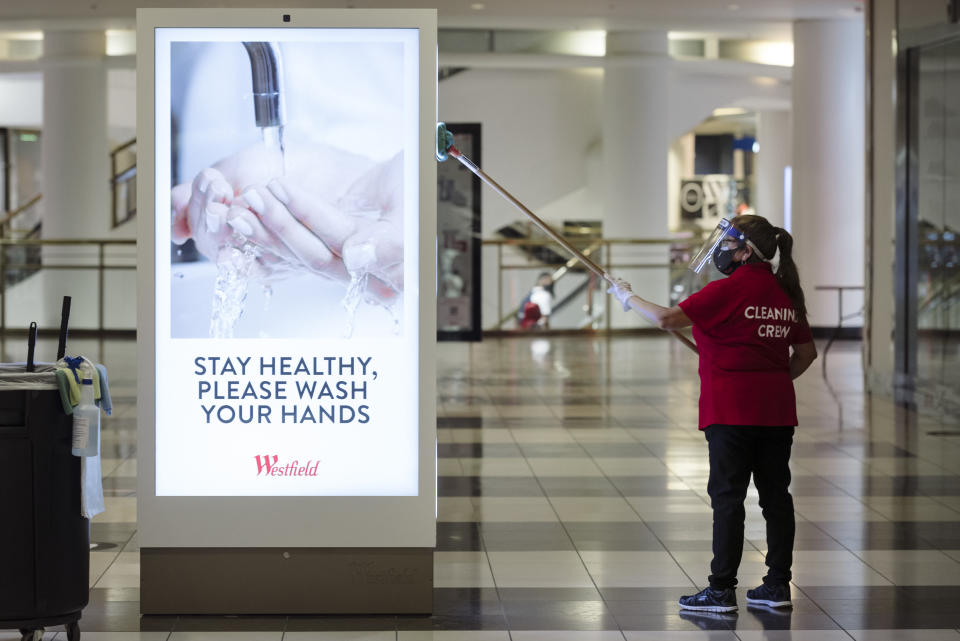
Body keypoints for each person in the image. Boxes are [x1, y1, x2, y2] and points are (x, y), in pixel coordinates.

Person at [606, 214, 818, 614]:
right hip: (776, 412)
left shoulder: (729, 290)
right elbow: (806, 353)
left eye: (728, 243)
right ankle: (776, 585)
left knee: (728, 499)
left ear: (745, 250)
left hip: (730, 412)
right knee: (776, 498)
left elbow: (667, 319)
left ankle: (721, 590)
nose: (722, 249)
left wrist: (627, 297)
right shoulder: (785, 292)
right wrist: (769, 378)